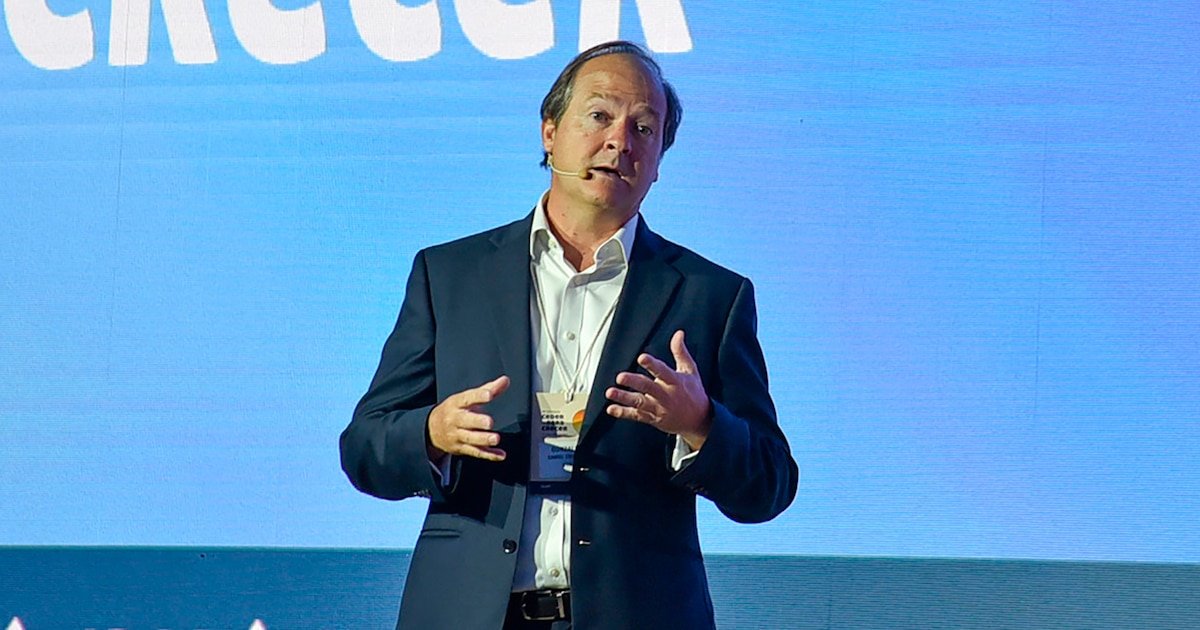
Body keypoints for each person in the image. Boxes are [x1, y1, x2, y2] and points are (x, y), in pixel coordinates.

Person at [340, 40, 798, 630]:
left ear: (659, 161)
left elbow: (769, 485)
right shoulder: (450, 275)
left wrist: (701, 424)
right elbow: (364, 448)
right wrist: (430, 433)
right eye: (600, 115)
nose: (619, 141)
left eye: (644, 128)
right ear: (550, 132)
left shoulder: (710, 295)